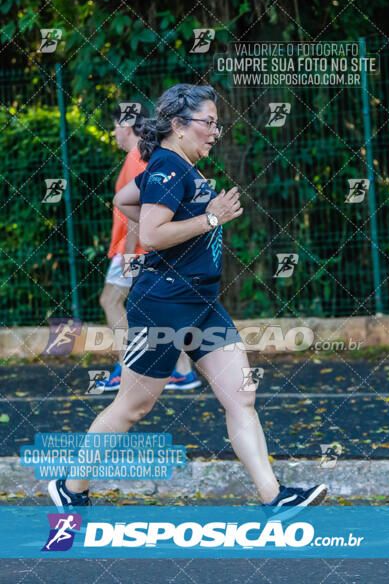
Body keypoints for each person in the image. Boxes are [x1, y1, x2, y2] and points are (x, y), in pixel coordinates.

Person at [49, 83, 327, 512]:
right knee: (132, 407)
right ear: (179, 126)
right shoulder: (168, 168)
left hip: (203, 303)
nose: (216, 131)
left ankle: (276, 498)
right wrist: (211, 216)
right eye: (208, 123)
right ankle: (72, 486)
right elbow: (156, 236)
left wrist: (197, 217)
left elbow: (123, 198)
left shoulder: (173, 165)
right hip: (163, 304)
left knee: (241, 395)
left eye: (218, 123)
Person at [98, 103, 200, 391]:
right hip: (148, 247)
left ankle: (128, 368)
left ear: (126, 126)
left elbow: (140, 207)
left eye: (115, 126)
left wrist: (130, 254)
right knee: (160, 309)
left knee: (110, 300)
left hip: (135, 248)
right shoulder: (146, 154)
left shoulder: (135, 157)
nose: (114, 132)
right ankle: (182, 372)